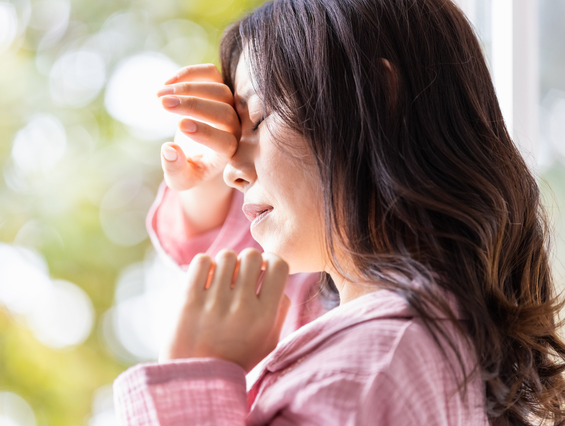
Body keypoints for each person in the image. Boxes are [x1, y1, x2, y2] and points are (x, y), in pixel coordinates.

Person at [113, 0, 565, 424]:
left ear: (375, 94)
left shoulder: (361, 372)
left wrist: (198, 377)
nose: (233, 169)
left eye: (256, 121)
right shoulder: (421, 341)